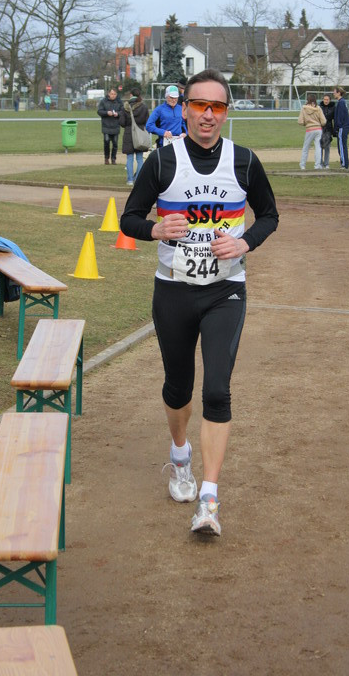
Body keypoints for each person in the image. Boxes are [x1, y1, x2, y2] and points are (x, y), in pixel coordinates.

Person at [120, 68, 279, 537]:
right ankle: (180, 456)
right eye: (200, 105)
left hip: (225, 291)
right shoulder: (162, 161)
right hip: (173, 290)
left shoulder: (244, 161)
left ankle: (209, 499)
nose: (208, 114)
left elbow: (269, 215)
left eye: (218, 106)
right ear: (185, 109)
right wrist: (155, 229)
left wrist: (244, 242)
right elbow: (129, 218)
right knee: (179, 388)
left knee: (217, 391)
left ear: (226, 112)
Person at [119, 88, 150, 186]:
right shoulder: (144, 107)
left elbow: (122, 123)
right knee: (140, 158)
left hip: (128, 134)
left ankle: (130, 180)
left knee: (130, 158)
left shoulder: (125, 107)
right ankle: (138, 179)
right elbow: (147, 121)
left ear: (131, 95)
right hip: (140, 133)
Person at [298, 93, 326, 171]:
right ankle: (317, 165)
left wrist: (306, 123)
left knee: (306, 148)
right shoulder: (318, 108)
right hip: (318, 129)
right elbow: (323, 121)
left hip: (309, 129)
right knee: (318, 147)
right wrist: (319, 123)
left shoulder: (304, 109)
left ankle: (302, 165)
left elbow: (300, 121)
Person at [97, 88, 123, 165]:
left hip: (116, 126)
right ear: (108, 94)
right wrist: (106, 113)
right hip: (106, 125)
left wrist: (117, 114)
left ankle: (113, 159)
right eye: (112, 94)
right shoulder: (103, 101)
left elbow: (123, 112)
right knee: (106, 142)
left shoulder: (119, 102)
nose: (113, 95)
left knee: (115, 143)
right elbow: (99, 111)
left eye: (114, 94)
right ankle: (106, 158)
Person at [333, 86, 349, 170]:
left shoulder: (341, 102)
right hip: (343, 127)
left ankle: (344, 164)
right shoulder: (341, 102)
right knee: (342, 146)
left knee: (342, 146)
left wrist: (339, 126)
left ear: (339, 93)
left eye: (334, 92)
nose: (333, 94)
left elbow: (340, 116)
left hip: (342, 127)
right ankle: (344, 163)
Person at [319, 93, 336, 169]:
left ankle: (326, 163)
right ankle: (320, 163)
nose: (326, 101)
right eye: (324, 99)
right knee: (320, 147)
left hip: (328, 129)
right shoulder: (319, 107)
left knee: (327, 147)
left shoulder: (333, 108)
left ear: (330, 100)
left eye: (327, 99)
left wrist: (334, 130)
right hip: (320, 129)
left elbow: (334, 119)